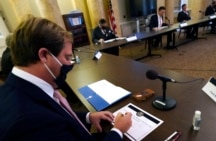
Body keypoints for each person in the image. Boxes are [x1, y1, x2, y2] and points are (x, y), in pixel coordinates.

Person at [0, 15, 132, 141]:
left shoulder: (14, 89)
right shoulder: (30, 122)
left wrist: (88, 116)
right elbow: (51, 122)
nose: (70, 63)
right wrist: (118, 131)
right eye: (67, 57)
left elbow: (59, 115)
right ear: (44, 55)